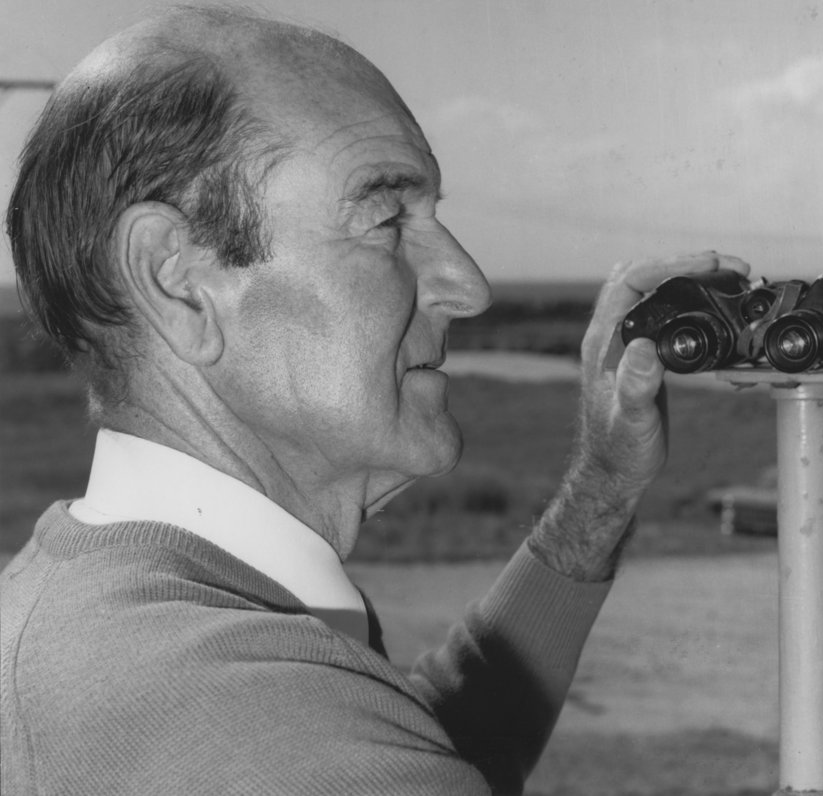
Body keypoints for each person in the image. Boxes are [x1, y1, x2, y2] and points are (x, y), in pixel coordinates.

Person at [0, 6, 749, 794]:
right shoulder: (280, 736)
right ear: (176, 281)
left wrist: (603, 486)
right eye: (387, 218)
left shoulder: (104, 623)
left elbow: (410, 739)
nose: (469, 284)